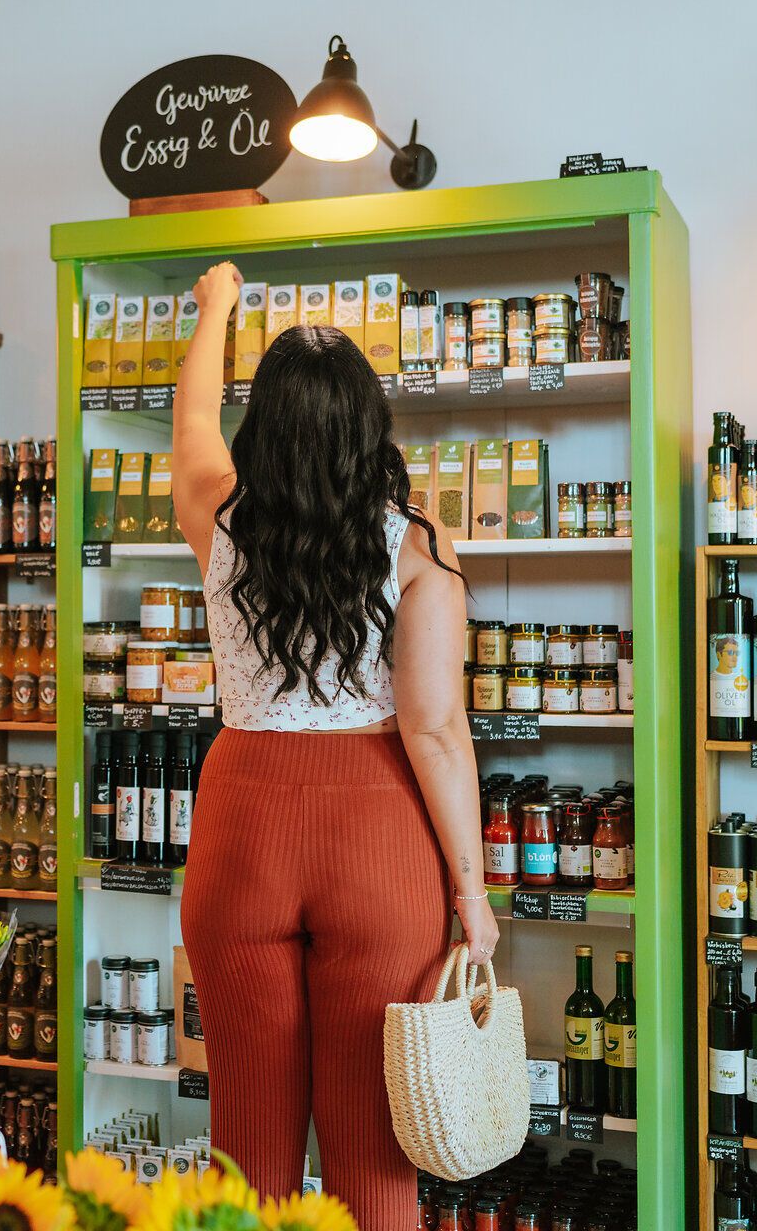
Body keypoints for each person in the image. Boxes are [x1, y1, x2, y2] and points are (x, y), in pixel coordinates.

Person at [174, 262, 496, 1228]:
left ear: (262, 429)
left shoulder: (216, 515)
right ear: (371, 429)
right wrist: (472, 895)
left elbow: (190, 420)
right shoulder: (418, 548)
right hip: (377, 838)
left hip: (242, 825)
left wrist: (215, 309)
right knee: (374, 1152)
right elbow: (436, 732)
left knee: (247, 1145)